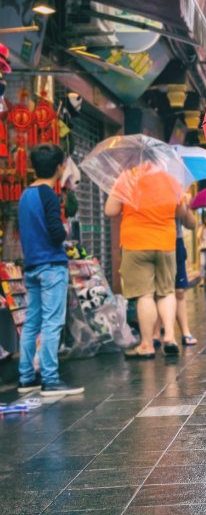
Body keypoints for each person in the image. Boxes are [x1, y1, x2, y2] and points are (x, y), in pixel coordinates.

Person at [17, 144, 84, 397]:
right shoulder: (49, 195)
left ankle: (26, 377)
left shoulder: (25, 195)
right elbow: (56, 234)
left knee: (32, 322)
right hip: (52, 267)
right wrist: (65, 229)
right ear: (58, 167)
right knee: (52, 322)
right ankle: (50, 379)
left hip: (32, 266)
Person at [105, 168, 187, 358]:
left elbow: (110, 210)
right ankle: (169, 337)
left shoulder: (128, 177)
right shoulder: (171, 179)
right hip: (166, 243)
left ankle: (147, 344)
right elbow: (181, 212)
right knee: (167, 292)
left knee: (145, 295)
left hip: (136, 243)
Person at [153, 206, 198, 347]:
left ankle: (185, 332)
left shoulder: (176, 191)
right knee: (158, 291)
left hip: (175, 241)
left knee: (179, 291)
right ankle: (156, 333)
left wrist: (186, 206)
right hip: (154, 240)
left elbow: (191, 224)